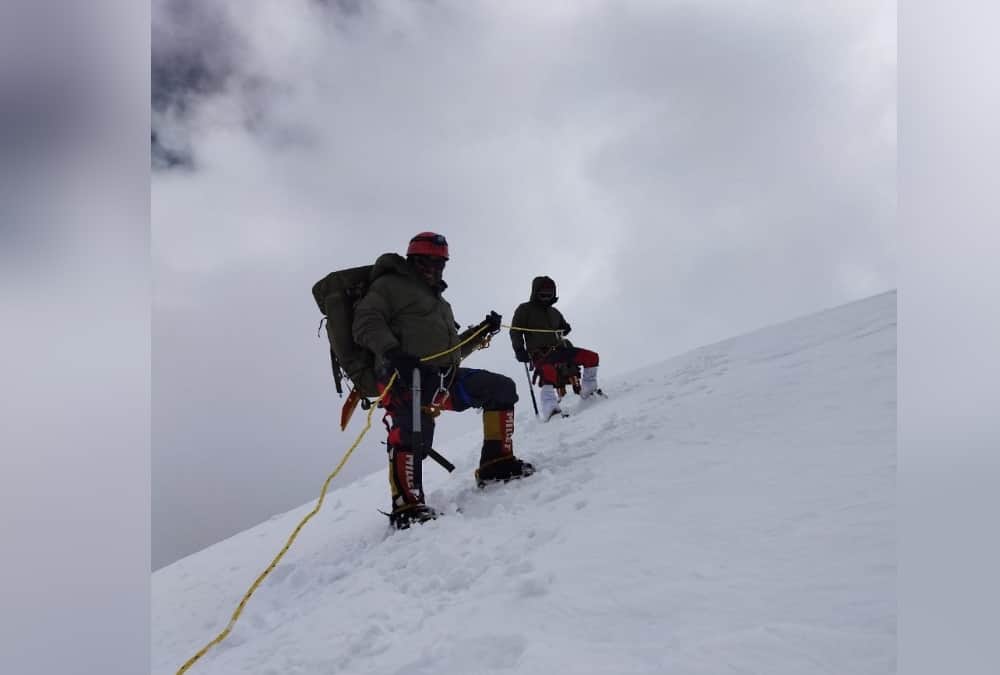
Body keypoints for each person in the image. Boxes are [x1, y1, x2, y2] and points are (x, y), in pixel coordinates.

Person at [352, 232, 535, 529]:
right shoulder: (389, 286)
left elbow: (450, 352)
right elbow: (365, 322)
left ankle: (495, 464)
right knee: (412, 432)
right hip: (402, 378)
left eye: (439, 263)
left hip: (441, 380)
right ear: (412, 260)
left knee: (500, 388)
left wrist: (482, 331)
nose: (433, 268)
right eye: (426, 262)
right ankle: (407, 506)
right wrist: (393, 352)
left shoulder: (439, 302)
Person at [510, 275, 602, 421]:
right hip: (540, 354)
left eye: (549, 294)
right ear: (535, 293)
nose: (546, 298)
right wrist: (519, 350)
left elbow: (563, 326)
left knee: (591, 357)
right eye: (543, 294)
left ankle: (589, 391)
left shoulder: (554, 312)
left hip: (559, 349)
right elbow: (515, 331)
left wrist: (566, 328)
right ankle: (550, 408)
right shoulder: (524, 310)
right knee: (548, 372)